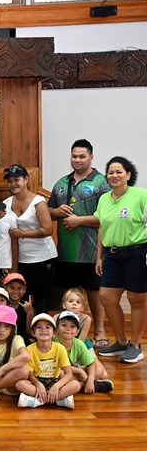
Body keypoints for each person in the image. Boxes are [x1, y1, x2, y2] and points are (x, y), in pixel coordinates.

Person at [48, 139, 110, 347]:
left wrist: (79, 220)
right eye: (74, 156)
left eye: (82, 156)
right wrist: (56, 212)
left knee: (94, 292)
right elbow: (48, 211)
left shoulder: (102, 183)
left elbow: (106, 217)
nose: (77, 160)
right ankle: (65, 335)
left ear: (91, 157)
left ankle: (99, 331)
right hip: (65, 251)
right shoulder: (61, 183)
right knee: (66, 295)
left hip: (92, 251)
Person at [94, 156, 147, 363]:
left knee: (136, 299)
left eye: (119, 172)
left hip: (137, 252)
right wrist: (99, 257)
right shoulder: (104, 199)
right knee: (106, 296)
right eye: (110, 172)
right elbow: (101, 228)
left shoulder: (141, 195)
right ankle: (122, 342)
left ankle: (136, 345)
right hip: (112, 255)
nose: (114, 175)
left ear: (128, 175)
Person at [3, 164, 57, 314]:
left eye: (17, 180)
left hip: (43, 258)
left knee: (41, 300)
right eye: (10, 181)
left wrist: (22, 233)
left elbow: (48, 230)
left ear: (26, 179)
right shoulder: (6, 203)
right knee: (20, 299)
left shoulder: (38, 202)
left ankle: (41, 328)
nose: (13, 184)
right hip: (20, 259)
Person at [15, 314, 80, 409]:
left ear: (54, 333)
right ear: (33, 332)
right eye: (39, 327)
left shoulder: (60, 348)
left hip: (55, 381)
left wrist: (56, 386)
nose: (43, 330)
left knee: (76, 385)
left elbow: (68, 373)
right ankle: (59, 400)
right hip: (37, 382)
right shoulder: (29, 349)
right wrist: (38, 384)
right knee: (20, 384)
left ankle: (37, 401)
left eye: (47, 327)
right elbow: (30, 375)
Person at [54, 311, 113, 394]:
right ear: (57, 329)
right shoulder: (53, 344)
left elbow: (91, 363)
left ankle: (85, 384)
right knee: (61, 374)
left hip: (74, 370)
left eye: (72, 326)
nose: (68, 329)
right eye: (64, 325)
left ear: (77, 332)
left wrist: (90, 380)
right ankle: (85, 385)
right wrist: (79, 371)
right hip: (62, 371)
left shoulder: (79, 343)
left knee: (99, 371)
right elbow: (58, 367)